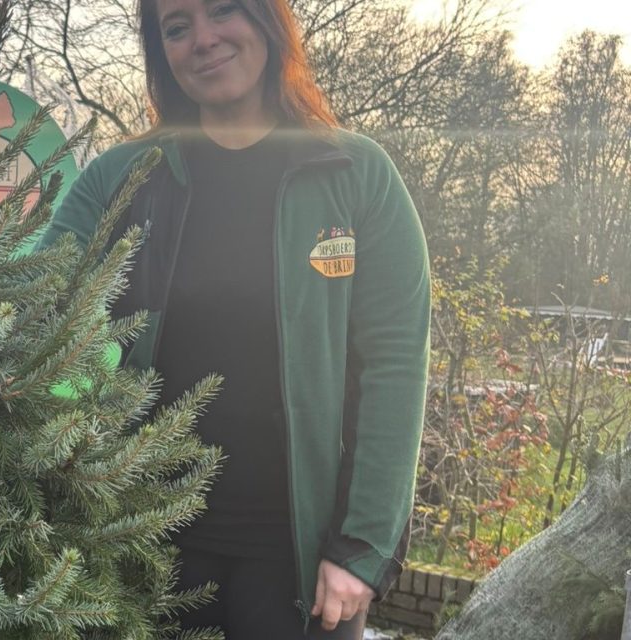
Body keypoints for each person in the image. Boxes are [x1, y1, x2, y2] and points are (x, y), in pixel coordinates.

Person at [38, 0, 429, 637]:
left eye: (223, 12)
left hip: (297, 560)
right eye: (176, 26)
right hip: (140, 545)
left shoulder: (355, 176)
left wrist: (362, 547)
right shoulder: (123, 177)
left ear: (269, 22)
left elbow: (395, 365)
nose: (204, 39)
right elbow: (34, 294)